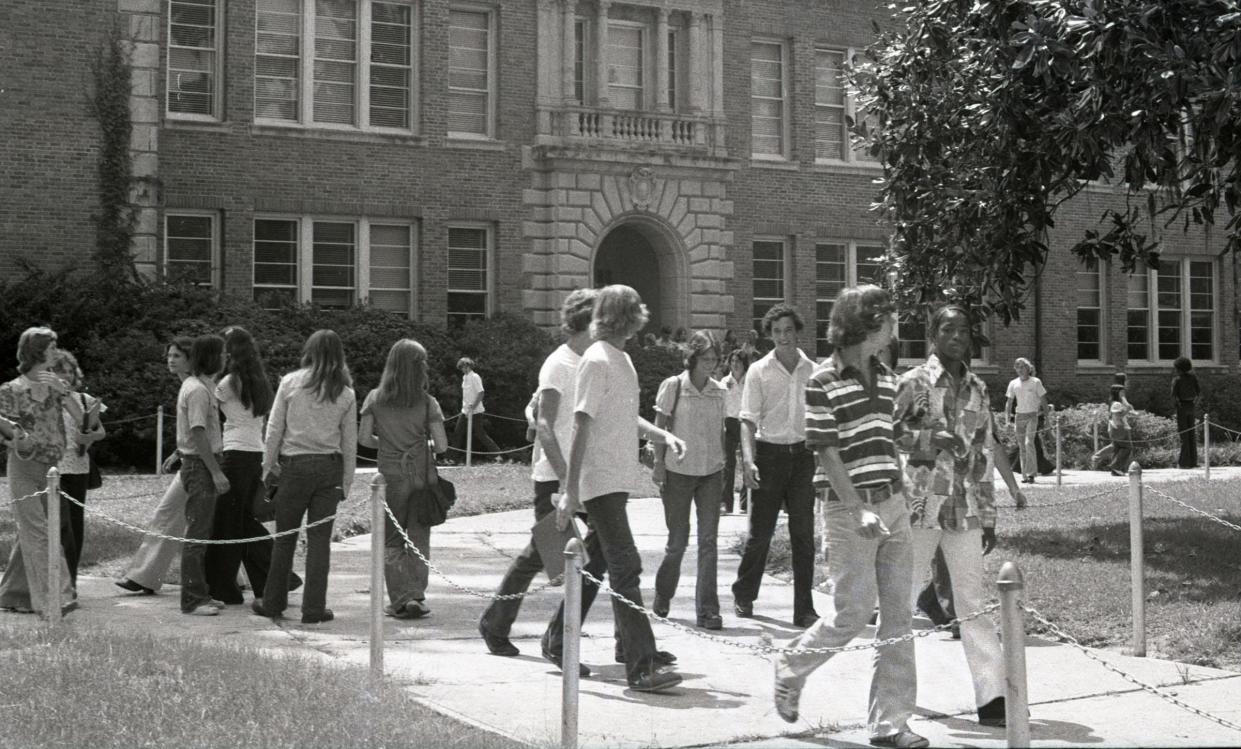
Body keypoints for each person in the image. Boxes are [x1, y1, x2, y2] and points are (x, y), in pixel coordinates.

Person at [772, 286, 926, 749]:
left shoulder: (885, 377)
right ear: (870, 323)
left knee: (899, 616)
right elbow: (826, 452)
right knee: (853, 613)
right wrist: (858, 507)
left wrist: (928, 440)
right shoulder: (821, 382)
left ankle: (890, 725)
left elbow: (888, 439)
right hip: (847, 510)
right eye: (891, 320)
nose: (896, 328)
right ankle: (792, 665)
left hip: (894, 505)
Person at [894, 304, 1023, 729]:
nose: (957, 335)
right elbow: (891, 434)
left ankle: (993, 698)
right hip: (920, 506)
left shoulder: (979, 389)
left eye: (964, 329)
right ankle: (891, 696)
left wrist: (989, 514)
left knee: (973, 603)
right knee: (902, 600)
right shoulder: (913, 382)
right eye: (948, 328)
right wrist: (932, 437)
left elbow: (985, 452)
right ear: (932, 333)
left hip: (965, 507)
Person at [555, 284, 686, 693]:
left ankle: (556, 639)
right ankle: (641, 666)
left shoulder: (621, 359)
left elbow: (627, 417)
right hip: (599, 481)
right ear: (624, 317)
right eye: (636, 311)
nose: (640, 317)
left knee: (596, 567)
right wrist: (570, 488)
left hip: (616, 477)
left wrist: (663, 437)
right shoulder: (596, 360)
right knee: (625, 567)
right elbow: (581, 422)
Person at [479, 289, 599, 657]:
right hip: (555, 477)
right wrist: (565, 478)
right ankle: (499, 624)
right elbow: (543, 422)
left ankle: (559, 635)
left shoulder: (595, 362)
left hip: (588, 477)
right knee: (542, 555)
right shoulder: (559, 364)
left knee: (597, 556)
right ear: (586, 322)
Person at [253, 330, 357, 624]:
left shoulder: (290, 382)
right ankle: (313, 608)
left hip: (294, 466)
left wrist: (267, 463)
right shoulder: (346, 392)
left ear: (309, 351)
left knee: (285, 538)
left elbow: (274, 428)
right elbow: (349, 442)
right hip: (329, 467)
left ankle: (273, 603)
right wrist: (347, 481)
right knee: (320, 541)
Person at [731, 303, 819, 628]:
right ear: (770, 335)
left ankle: (804, 609)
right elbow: (747, 421)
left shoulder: (813, 370)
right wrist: (749, 460)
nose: (783, 337)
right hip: (769, 456)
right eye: (777, 332)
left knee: (803, 536)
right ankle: (744, 593)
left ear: (797, 333)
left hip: (803, 457)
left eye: (788, 331)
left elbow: (822, 419)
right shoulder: (758, 371)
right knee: (760, 534)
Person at [205, 326, 300, 604]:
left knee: (229, 523)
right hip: (254, 455)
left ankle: (227, 588)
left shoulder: (226, 383)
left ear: (230, 351)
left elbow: (206, 408)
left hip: (234, 454)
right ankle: (271, 581)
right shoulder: (260, 382)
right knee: (242, 521)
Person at [359, 338, 448, 620]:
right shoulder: (427, 402)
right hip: (421, 476)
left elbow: (364, 439)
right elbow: (442, 445)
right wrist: (421, 447)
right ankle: (417, 596)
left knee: (391, 539)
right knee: (419, 538)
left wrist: (386, 442)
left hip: (389, 476)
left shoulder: (375, 398)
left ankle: (400, 598)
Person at [0, 327, 82, 617]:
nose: (56, 352)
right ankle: (55, 599)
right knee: (39, 532)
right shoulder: (11, 389)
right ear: (36, 351)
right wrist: (18, 437)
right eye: (51, 347)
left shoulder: (56, 384)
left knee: (34, 533)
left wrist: (65, 391)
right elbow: (6, 432)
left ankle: (13, 593)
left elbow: (82, 420)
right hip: (23, 467)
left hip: (51, 470)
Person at [652, 330, 727, 630]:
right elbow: (660, 427)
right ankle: (663, 593)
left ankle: (707, 610)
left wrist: (723, 462)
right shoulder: (673, 386)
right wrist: (658, 463)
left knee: (708, 542)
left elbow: (721, 430)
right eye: (705, 359)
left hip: (710, 473)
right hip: (678, 473)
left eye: (714, 359)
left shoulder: (719, 391)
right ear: (692, 359)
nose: (711, 365)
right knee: (677, 543)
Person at [117, 337, 195, 595]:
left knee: (166, 515)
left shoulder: (194, 386)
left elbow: (204, 429)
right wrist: (177, 452)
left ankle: (143, 577)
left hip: (197, 464)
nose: (171, 360)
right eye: (169, 356)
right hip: (192, 460)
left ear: (190, 359)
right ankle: (235, 578)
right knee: (190, 521)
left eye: (177, 356)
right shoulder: (190, 385)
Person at [176, 334, 230, 616]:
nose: (226, 359)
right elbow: (197, 431)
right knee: (196, 534)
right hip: (200, 466)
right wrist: (216, 471)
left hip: (197, 462)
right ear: (212, 357)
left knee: (203, 531)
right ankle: (192, 598)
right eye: (222, 354)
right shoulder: (197, 390)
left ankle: (202, 592)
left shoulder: (199, 386)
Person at [49, 350, 106, 585]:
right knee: (61, 527)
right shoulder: (44, 400)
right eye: (61, 370)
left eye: (70, 371)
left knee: (76, 526)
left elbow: (100, 431)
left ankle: (70, 581)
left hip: (79, 468)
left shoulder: (84, 400)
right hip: (53, 470)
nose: (67, 375)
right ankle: (58, 581)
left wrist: (90, 436)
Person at [719, 348, 753, 514]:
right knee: (728, 463)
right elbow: (720, 406)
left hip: (746, 422)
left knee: (747, 461)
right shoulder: (725, 382)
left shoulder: (750, 381)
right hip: (730, 422)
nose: (735, 365)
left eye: (738, 362)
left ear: (744, 363)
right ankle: (725, 503)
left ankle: (746, 503)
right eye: (732, 362)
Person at [1004, 357, 1047, 484]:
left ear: (1028, 368)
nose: (1020, 370)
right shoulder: (1013, 383)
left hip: (1032, 416)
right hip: (1019, 417)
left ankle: (1031, 474)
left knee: (1029, 443)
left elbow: (1044, 400)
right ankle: (1024, 475)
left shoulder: (1035, 382)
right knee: (1022, 447)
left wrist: (1048, 418)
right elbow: (1009, 402)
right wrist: (1007, 420)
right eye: (1018, 367)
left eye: (1022, 367)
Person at [450, 357, 501, 461]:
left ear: (468, 366)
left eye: (463, 367)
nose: (462, 370)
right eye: (461, 368)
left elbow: (481, 393)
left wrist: (473, 407)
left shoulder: (475, 377)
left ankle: (497, 455)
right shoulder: (464, 378)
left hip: (476, 411)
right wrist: (467, 410)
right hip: (464, 411)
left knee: (480, 434)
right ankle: (451, 459)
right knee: (457, 433)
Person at [1171, 356, 1200, 469]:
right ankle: (1193, 461)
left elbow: (1173, 396)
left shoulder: (1177, 380)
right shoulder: (1193, 378)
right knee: (1191, 434)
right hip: (1191, 406)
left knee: (1184, 435)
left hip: (1182, 406)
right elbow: (1199, 393)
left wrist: (1176, 408)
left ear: (1179, 368)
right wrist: (1194, 404)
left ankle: (1184, 462)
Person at [1107, 385, 1134, 477]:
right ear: (1117, 392)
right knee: (1127, 448)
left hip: (1115, 428)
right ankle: (1116, 467)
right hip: (1119, 428)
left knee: (1117, 449)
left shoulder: (1114, 402)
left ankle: (1116, 470)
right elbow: (1118, 415)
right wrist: (1127, 409)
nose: (1124, 394)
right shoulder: (1116, 403)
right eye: (1122, 392)